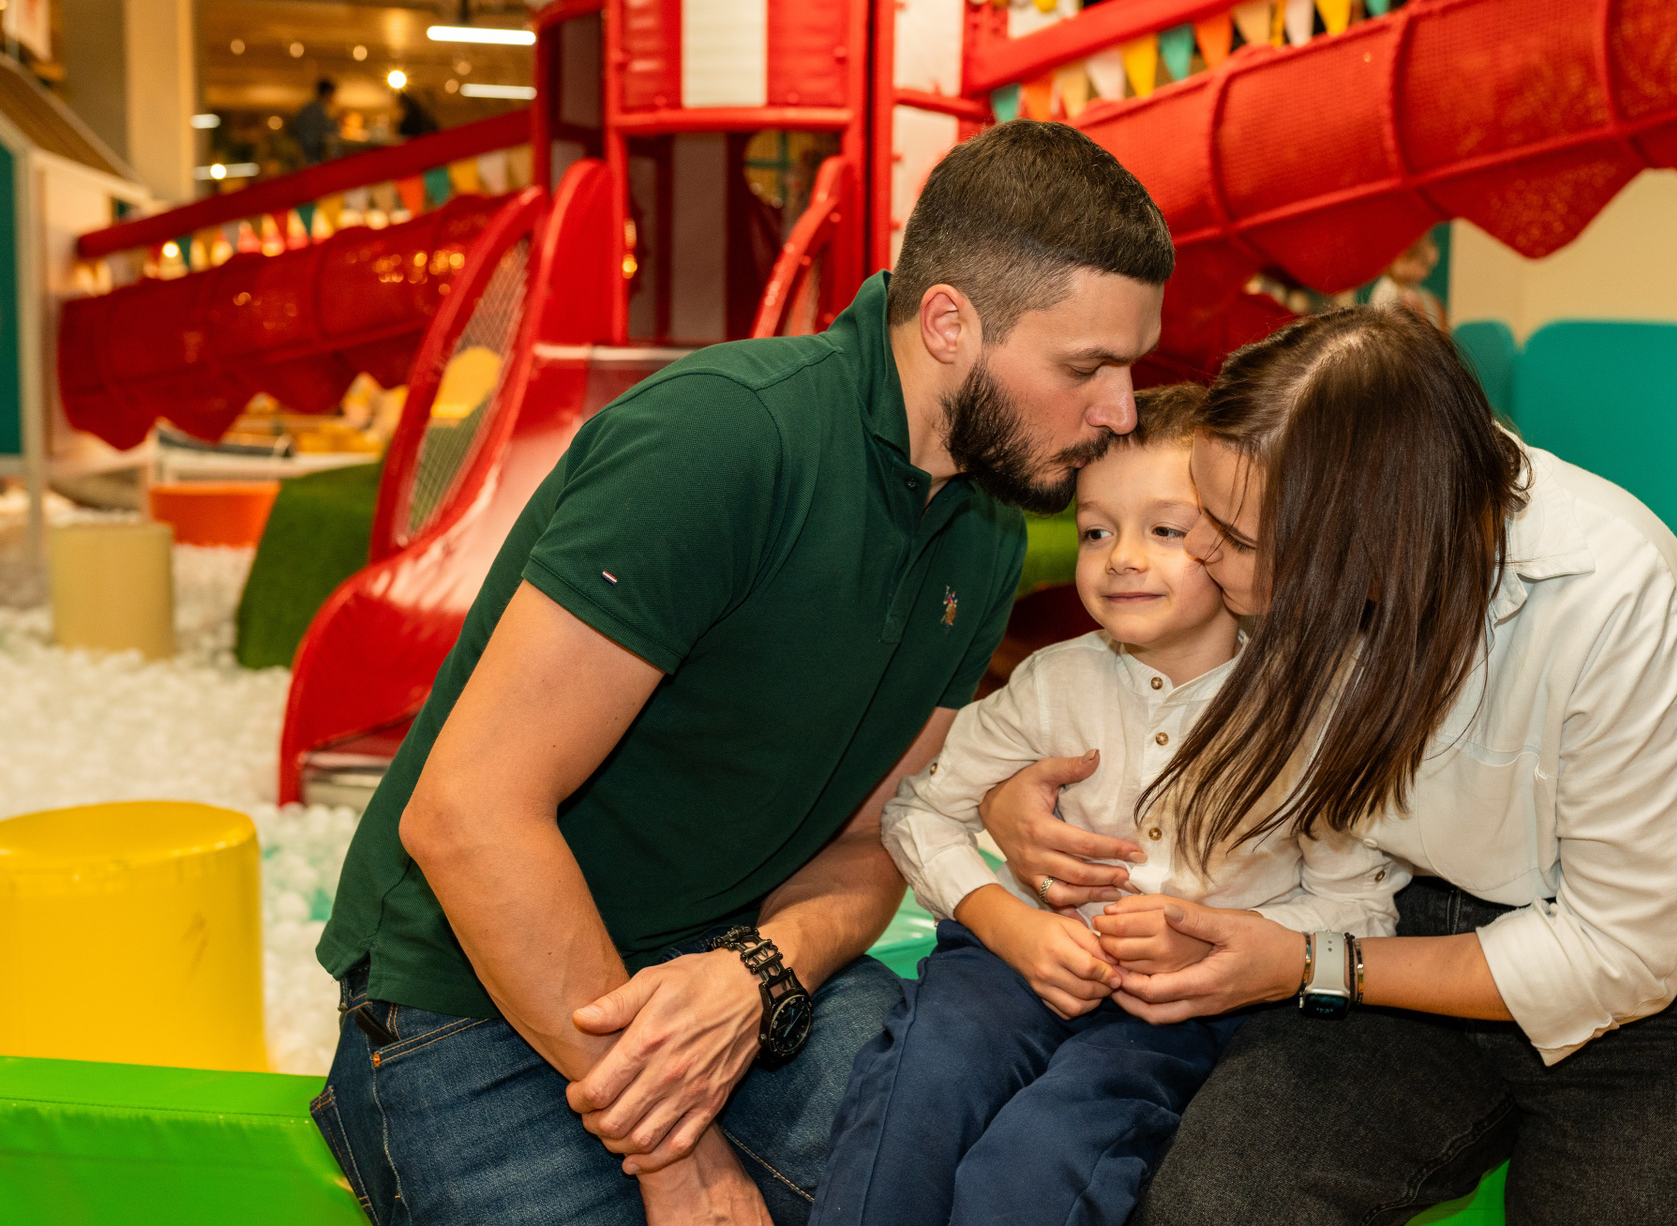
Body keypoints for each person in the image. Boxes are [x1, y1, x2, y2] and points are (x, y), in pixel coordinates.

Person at [310, 120, 1173, 1226]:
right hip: (474, 987)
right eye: (1087, 368)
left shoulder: (987, 528)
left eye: (1132, 367)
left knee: (1013, 1181)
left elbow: (875, 834)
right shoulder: (723, 438)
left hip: (731, 956)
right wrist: (677, 1157)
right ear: (949, 323)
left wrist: (760, 972)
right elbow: (468, 815)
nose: (1121, 412)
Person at [978, 307, 1677, 1225]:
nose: (1201, 554)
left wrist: (1310, 963)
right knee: (1212, 1205)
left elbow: (1623, 951)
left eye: (1235, 539)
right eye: (1202, 515)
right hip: (1395, 914)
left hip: (1651, 985)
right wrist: (1010, 796)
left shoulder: (1613, 597)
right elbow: (1143, 710)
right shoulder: (1331, 526)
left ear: (1369, 551)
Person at [811, 384, 1407, 1226]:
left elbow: (1360, 908)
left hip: (1180, 1010)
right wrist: (1005, 922)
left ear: (1241, 542)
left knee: (1047, 1150)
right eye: (1097, 531)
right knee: (919, 1089)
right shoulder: (1054, 682)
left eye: (1166, 531)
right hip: (1012, 960)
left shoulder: (1308, 711)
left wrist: (1225, 938)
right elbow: (919, 810)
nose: (1122, 557)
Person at [1368, 232, 1448, 331]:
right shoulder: (1388, 288)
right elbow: (1381, 327)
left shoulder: (1411, 290)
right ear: (1403, 257)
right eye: (1423, 265)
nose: (1426, 273)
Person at [291, 78, 339, 166]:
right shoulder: (315, 109)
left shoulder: (310, 108)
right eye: (332, 94)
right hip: (311, 152)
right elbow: (323, 130)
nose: (333, 98)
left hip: (309, 151)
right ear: (327, 93)